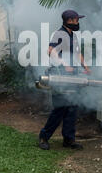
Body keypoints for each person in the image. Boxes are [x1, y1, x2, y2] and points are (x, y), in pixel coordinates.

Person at [38, 9, 91, 151]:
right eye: (76, 19)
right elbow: (51, 50)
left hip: (72, 76)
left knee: (72, 108)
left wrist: (85, 67)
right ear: (70, 20)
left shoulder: (73, 35)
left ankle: (69, 139)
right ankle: (43, 137)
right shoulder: (59, 34)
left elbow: (78, 53)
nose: (78, 22)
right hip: (59, 75)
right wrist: (63, 64)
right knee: (60, 109)